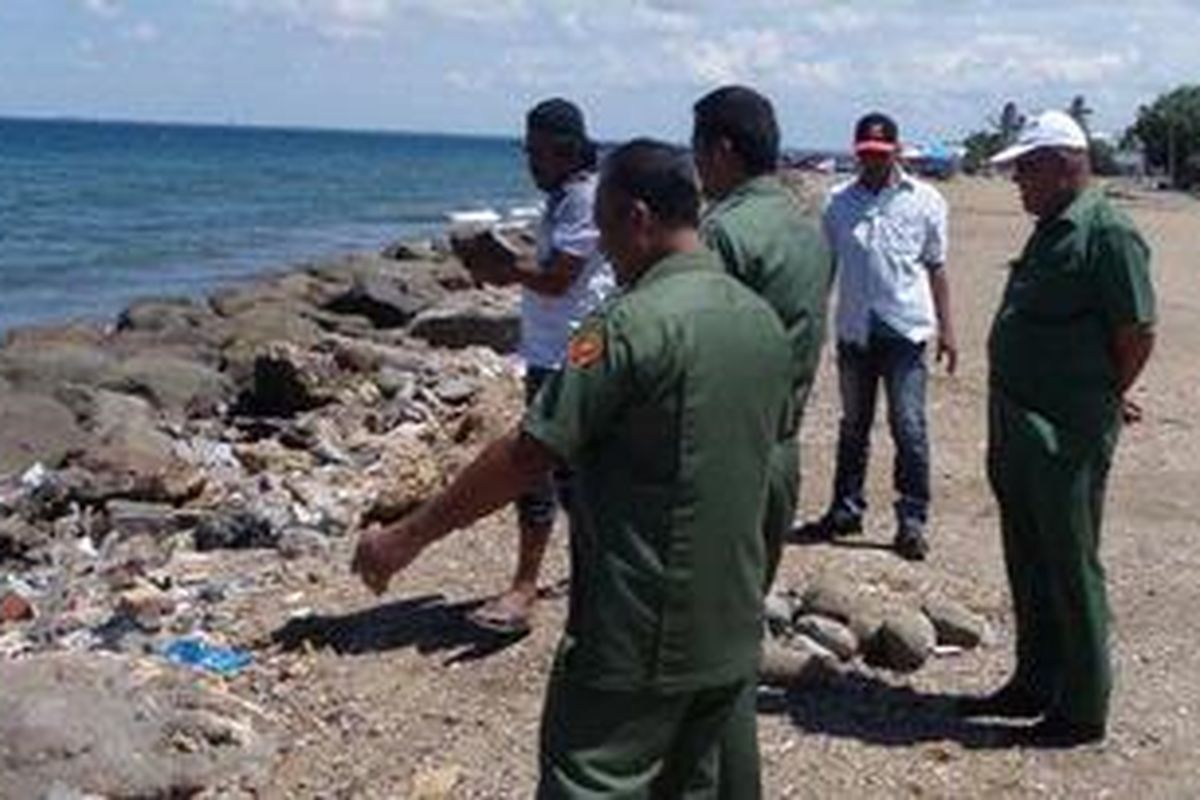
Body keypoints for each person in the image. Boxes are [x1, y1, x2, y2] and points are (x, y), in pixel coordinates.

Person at [352, 139, 790, 798]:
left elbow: (528, 453)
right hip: (730, 614)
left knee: (591, 777)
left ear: (638, 218)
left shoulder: (630, 325)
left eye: (606, 226)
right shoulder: (760, 321)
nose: (603, 248)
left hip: (640, 624)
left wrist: (404, 538)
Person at [956, 110, 1156, 747]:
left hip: (1066, 431)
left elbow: (1136, 331)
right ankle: (1035, 679)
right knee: (1028, 558)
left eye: (1027, 168)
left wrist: (1102, 396)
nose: (1017, 180)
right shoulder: (1051, 229)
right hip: (1020, 424)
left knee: (1070, 562)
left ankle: (1082, 705)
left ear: (1066, 165)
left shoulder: (1108, 232)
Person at [453, 98, 614, 634]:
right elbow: (553, 271)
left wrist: (502, 266)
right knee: (557, 476)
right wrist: (507, 265)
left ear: (564, 150)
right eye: (528, 151)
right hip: (555, 351)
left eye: (536, 152)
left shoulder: (582, 199)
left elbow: (558, 278)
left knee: (545, 473)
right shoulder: (567, 196)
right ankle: (573, 581)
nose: (530, 163)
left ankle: (531, 590)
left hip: (570, 356)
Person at [691, 85, 834, 586]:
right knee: (746, 600)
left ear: (722, 150)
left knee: (701, 610)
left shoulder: (723, 232)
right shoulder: (807, 231)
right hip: (781, 447)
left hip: (724, 456)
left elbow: (696, 350)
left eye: (696, 148)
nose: (695, 165)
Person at [807, 111, 957, 560]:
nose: (872, 161)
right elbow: (825, 267)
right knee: (853, 426)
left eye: (881, 153)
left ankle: (912, 519)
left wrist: (948, 330)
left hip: (905, 330)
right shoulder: (837, 202)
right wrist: (812, 322)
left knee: (908, 426)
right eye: (866, 153)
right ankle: (845, 510)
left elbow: (936, 266)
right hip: (855, 330)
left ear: (897, 151)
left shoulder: (926, 201)